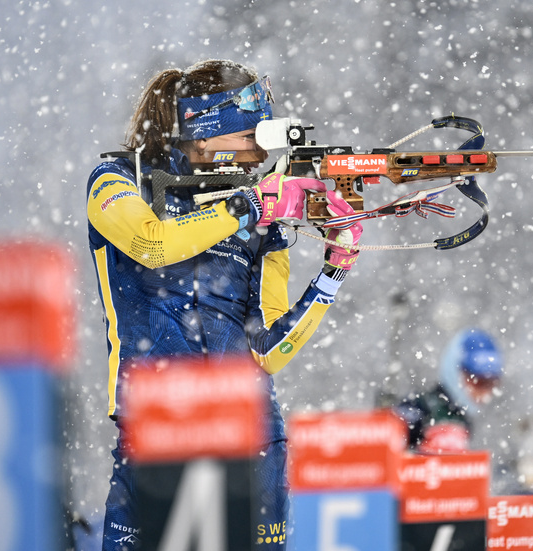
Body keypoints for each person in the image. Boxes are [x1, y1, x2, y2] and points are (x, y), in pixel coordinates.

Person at [86, 59, 362, 550]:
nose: (259, 154)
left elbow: (269, 349)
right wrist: (249, 206)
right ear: (205, 131)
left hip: (250, 431)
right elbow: (154, 244)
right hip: (158, 424)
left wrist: (334, 268)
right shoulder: (115, 179)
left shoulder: (262, 210)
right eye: (249, 139)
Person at [394, 327, 503, 452]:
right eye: (477, 382)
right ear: (455, 373)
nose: (484, 393)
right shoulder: (418, 408)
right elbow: (381, 447)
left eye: (492, 384)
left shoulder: (463, 419)